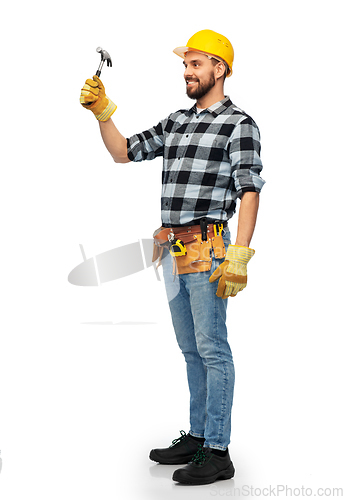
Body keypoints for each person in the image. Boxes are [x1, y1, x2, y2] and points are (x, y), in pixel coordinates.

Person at [80, 29, 265, 486]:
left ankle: (218, 451)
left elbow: (249, 189)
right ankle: (200, 435)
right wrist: (102, 112)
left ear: (219, 69)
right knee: (190, 349)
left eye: (196, 64)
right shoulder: (177, 122)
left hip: (209, 249)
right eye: (185, 65)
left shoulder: (239, 124)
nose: (187, 71)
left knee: (212, 348)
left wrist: (239, 254)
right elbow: (124, 152)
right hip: (173, 249)